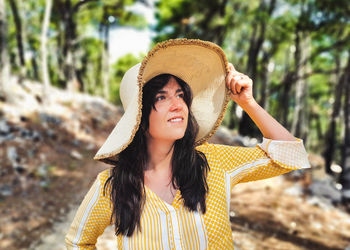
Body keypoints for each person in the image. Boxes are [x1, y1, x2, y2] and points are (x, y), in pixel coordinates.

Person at [65, 39, 310, 249]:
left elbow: (291, 156)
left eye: (180, 95)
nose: (178, 105)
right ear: (138, 117)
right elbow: (78, 242)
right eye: (161, 96)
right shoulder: (113, 187)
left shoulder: (214, 162)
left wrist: (248, 103)